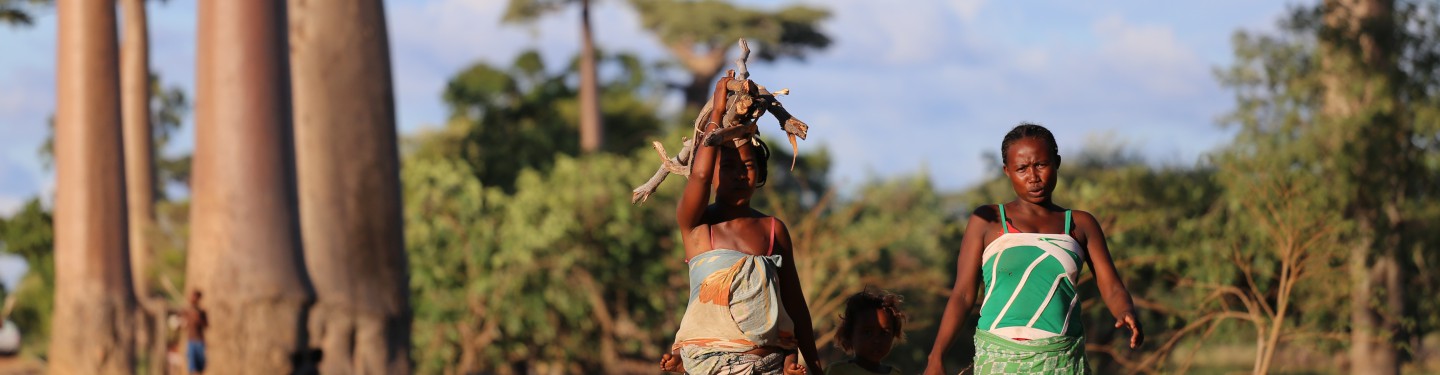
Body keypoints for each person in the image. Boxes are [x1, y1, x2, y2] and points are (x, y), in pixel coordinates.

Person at [925, 123, 1143, 374]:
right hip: (997, 359)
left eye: (1041, 165)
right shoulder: (988, 221)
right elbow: (963, 294)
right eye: (1022, 169)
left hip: (1062, 361)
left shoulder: (1080, 224)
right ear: (1007, 171)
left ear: (1057, 162)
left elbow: (1112, 285)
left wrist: (1125, 311)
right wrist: (936, 356)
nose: (1033, 177)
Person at [661, 77, 823, 375]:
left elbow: (796, 305)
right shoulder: (697, 226)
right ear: (712, 173)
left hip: (770, 366)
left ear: (759, 173)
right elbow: (698, 178)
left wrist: (814, 366)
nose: (738, 175)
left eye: (747, 167)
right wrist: (718, 109)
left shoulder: (773, 229)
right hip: (709, 366)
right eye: (728, 167)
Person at [825, 288, 906, 375]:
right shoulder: (837, 372)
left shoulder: (895, 373)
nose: (877, 340)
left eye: (884, 333)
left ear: (893, 335)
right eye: (868, 332)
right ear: (850, 335)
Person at [184, 290, 208, 374]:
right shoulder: (187, 311)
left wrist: (199, 319)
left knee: (200, 366)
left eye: (195, 297)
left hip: (200, 341)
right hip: (191, 341)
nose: (193, 298)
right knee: (192, 367)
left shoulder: (201, 312)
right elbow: (184, 325)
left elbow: (206, 325)